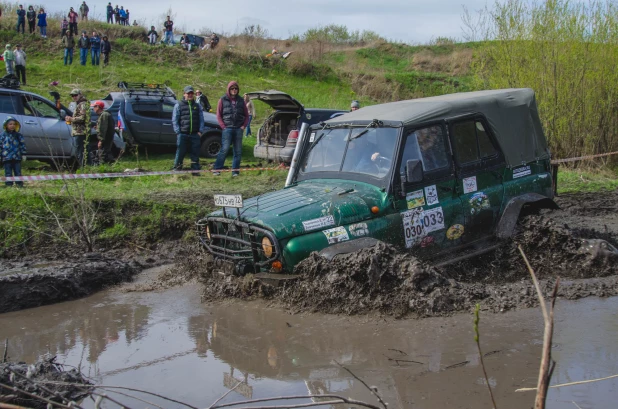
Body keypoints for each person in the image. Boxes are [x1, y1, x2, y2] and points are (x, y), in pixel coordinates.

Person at [214, 81, 248, 177]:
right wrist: (223, 127)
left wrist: (243, 126)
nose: (234, 90)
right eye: (232, 88)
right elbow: (218, 115)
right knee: (224, 149)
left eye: (236, 88)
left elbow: (246, 115)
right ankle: (217, 169)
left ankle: (235, 171)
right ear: (229, 89)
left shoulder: (241, 100)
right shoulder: (222, 99)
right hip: (227, 129)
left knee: (238, 151)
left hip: (238, 129)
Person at [172, 86, 203, 174]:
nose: (190, 95)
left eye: (191, 93)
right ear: (184, 94)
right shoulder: (178, 105)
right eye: (188, 93)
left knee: (195, 153)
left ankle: (195, 170)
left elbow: (201, 119)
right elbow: (175, 120)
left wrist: (200, 131)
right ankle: (177, 169)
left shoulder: (197, 106)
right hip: (183, 134)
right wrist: (178, 132)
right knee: (180, 153)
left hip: (195, 134)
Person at [64, 89, 90, 167]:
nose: (74, 97)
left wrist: (71, 119)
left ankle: (84, 168)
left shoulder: (83, 104)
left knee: (81, 152)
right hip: (78, 131)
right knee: (80, 151)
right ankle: (85, 167)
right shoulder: (78, 104)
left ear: (80, 94)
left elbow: (83, 118)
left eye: (75, 95)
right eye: (72, 96)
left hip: (81, 132)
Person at [1, 117, 26, 187]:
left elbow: (22, 145)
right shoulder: (2, 135)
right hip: (6, 157)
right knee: (8, 172)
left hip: (17, 157)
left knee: (18, 172)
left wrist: (23, 154)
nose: (12, 125)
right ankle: (9, 185)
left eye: (14, 124)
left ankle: (19, 184)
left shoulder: (18, 135)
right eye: (10, 124)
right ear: (6, 125)